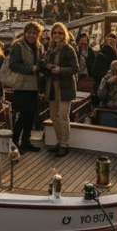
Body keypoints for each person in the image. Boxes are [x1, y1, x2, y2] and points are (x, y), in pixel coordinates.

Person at [43, 23, 79, 157]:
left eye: (60, 33)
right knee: (54, 116)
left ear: (64, 35)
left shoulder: (69, 49)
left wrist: (60, 70)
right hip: (52, 86)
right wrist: (47, 66)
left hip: (65, 87)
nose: (57, 35)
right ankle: (60, 141)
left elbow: (75, 68)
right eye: (55, 33)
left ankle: (65, 144)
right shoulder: (50, 49)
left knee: (63, 116)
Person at [8, 22, 43, 153]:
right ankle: (14, 142)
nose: (31, 35)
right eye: (29, 32)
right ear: (24, 33)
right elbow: (13, 65)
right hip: (22, 86)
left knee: (31, 115)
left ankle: (26, 141)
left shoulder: (39, 46)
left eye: (34, 33)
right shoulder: (18, 45)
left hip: (34, 86)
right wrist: (30, 68)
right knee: (23, 115)